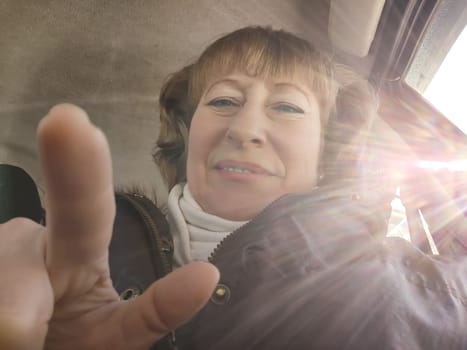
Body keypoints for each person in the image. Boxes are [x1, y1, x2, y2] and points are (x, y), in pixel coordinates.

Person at [1, 26, 467, 350]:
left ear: (326, 156)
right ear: (188, 134)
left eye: (286, 108)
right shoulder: (73, 244)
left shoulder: (386, 278)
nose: (245, 128)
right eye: (223, 100)